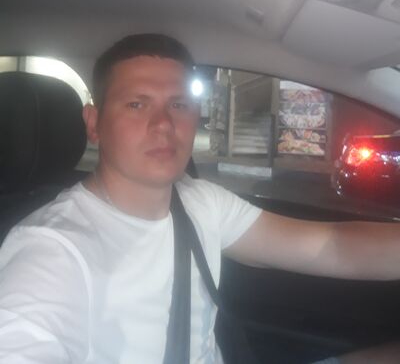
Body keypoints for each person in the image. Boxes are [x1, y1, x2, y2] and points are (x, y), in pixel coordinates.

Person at [0, 33, 399, 363]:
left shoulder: (200, 202)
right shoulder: (53, 249)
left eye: (179, 104)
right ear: (94, 123)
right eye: (137, 104)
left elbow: (330, 245)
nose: (163, 124)